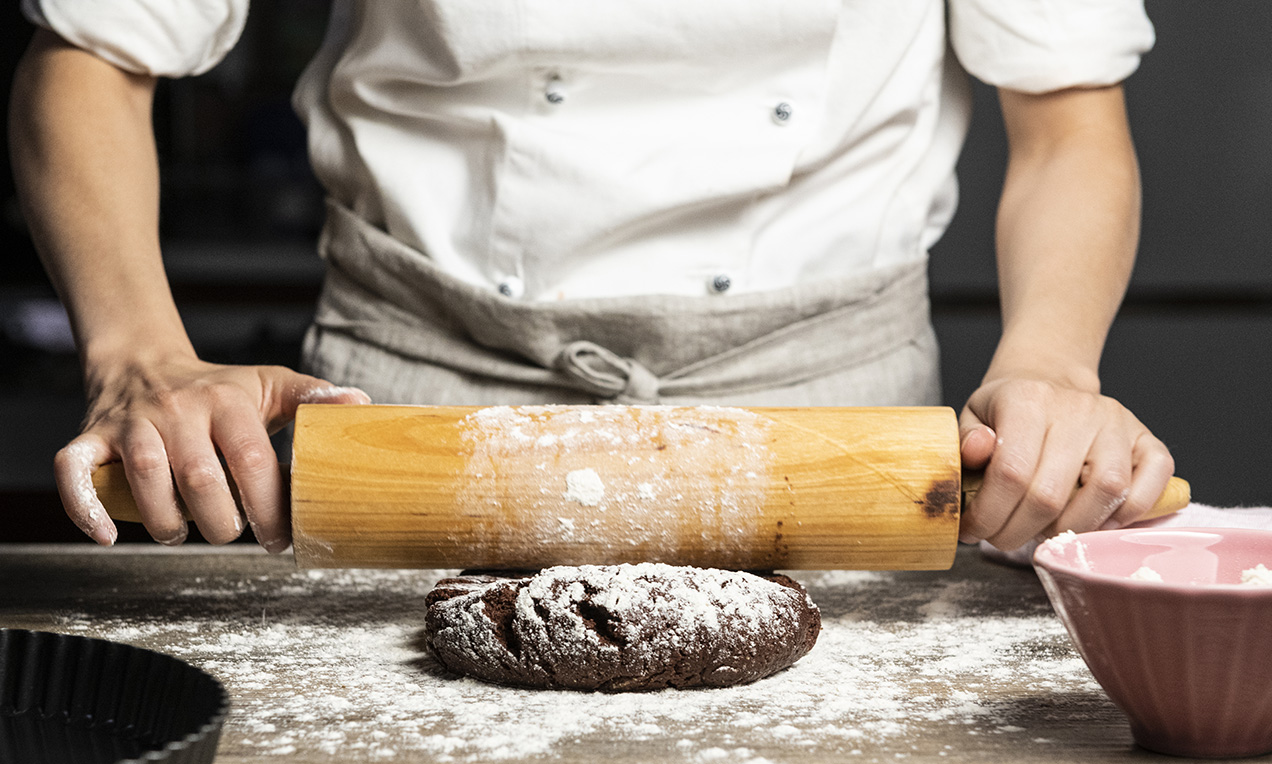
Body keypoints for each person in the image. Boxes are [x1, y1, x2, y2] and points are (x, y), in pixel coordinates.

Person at [10, 0, 1175, 555]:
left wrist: (1049, 361)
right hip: (414, 406)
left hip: (834, 431)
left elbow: (1070, 117)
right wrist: (138, 354)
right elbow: (94, 56)